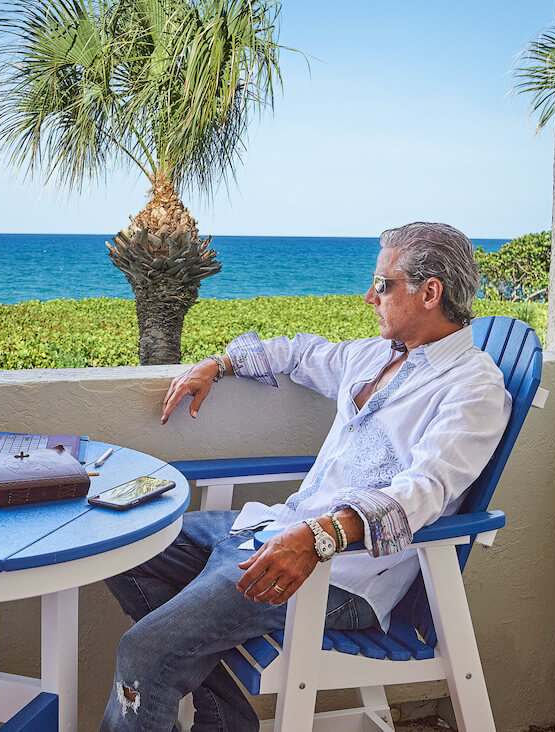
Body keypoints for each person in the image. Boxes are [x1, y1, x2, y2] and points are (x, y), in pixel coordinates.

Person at [100, 222, 512, 731]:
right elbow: (298, 353)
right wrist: (218, 363)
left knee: (144, 650)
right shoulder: (374, 356)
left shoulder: (473, 389)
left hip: (338, 571)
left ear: (430, 293)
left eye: (383, 284)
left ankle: (174, 670)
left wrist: (321, 535)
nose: (369, 296)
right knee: (121, 544)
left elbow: (425, 489)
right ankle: (224, 721)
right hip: (274, 530)